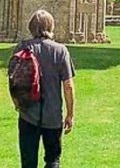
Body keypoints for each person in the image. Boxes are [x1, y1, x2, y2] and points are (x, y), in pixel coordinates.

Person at [14, 10, 76, 168]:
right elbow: (68, 86)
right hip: (53, 115)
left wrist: (17, 103)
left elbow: (13, 81)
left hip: (27, 113)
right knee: (53, 160)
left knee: (28, 163)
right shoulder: (60, 50)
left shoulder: (21, 48)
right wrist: (70, 114)